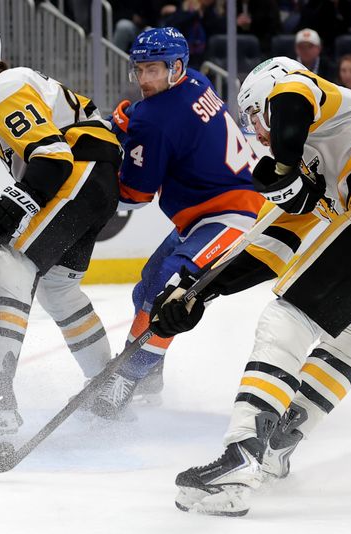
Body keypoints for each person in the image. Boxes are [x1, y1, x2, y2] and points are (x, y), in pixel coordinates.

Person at [150, 56, 351, 516]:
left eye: (254, 118)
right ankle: (274, 452)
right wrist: (196, 291)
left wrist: (284, 163)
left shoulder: (310, 98)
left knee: (287, 316)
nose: (258, 135)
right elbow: (269, 245)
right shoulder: (319, 166)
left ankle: (242, 455)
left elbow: (292, 96)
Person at [0, 22, 121, 434]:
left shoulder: (4, 88)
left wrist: (17, 201)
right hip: (98, 183)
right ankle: (109, 387)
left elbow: (54, 158)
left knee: (10, 265)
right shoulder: (11, 91)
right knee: (58, 288)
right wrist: (16, 201)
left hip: (81, 171)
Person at [90, 27, 270, 417]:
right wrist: (131, 121)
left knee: (167, 290)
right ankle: (149, 374)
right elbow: (166, 118)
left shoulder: (153, 117)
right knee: (149, 283)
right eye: (139, 70)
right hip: (207, 216)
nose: (143, 80)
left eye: (152, 70)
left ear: (175, 68)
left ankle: (130, 375)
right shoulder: (196, 81)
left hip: (233, 217)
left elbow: (136, 196)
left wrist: (106, 165)